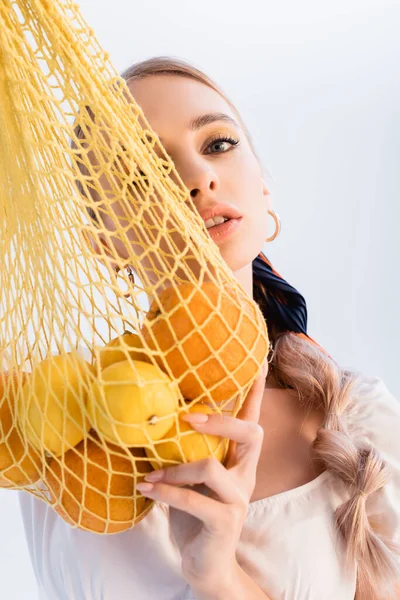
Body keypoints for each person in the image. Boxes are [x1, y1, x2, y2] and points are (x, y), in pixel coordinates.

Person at [18, 56, 400, 599]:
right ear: (103, 243)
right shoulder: (63, 448)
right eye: (140, 173)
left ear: (265, 191)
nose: (197, 177)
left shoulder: (362, 425)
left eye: (217, 144)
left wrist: (220, 579)